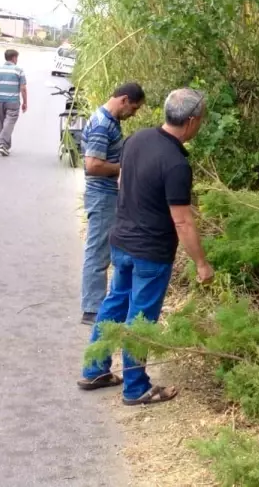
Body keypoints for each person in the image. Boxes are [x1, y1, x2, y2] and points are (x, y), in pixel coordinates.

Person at [77, 88, 215, 405]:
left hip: (122, 241)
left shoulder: (136, 139)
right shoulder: (177, 164)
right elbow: (182, 221)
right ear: (192, 122)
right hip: (150, 253)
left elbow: (124, 184)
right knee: (141, 318)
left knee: (114, 304)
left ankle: (95, 369)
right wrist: (202, 264)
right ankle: (136, 387)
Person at [80, 82, 147, 325]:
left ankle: (100, 305)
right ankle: (92, 309)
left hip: (110, 196)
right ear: (125, 100)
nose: (134, 114)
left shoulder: (109, 121)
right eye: (134, 108)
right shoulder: (101, 125)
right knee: (97, 251)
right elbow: (93, 166)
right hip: (101, 196)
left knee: (106, 250)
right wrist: (125, 168)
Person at [0, 49, 28, 156]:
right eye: (17, 58)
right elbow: (23, 88)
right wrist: (25, 102)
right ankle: (2, 144)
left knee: (3, 123)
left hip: (0, 100)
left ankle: (5, 147)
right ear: (14, 58)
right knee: (9, 123)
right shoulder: (19, 70)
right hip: (13, 102)